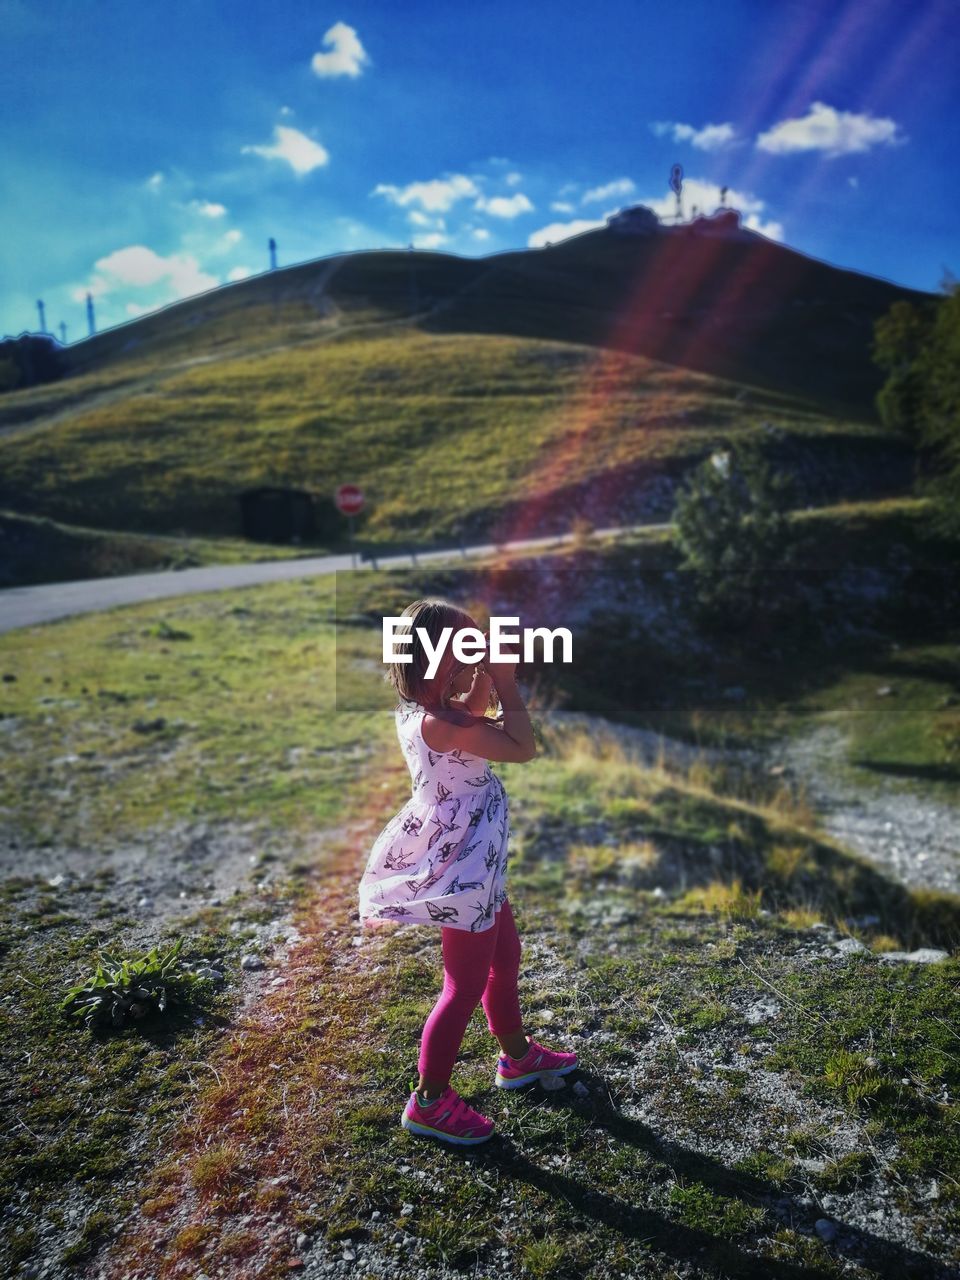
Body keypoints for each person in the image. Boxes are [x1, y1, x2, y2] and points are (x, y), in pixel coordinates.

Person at [358, 598, 578, 1146]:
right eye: (462, 643)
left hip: (475, 859)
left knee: (506, 958)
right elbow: (522, 747)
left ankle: (518, 1055)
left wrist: (482, 674)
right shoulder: (442, 724)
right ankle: (429, 1101)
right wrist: (505, 680)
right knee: (462, 985)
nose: (472, 650)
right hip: (464, 866)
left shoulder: (425, 711)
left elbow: (471, 715)